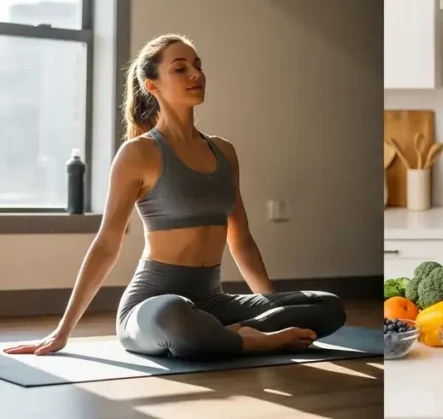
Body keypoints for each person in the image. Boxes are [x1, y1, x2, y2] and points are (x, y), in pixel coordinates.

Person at [3, 34, 346, 360]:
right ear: (152, 86)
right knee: (176, 316)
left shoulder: (224, 151)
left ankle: (235, 334)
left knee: (328, 305)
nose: (196, 73)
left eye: (197, 64)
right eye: (180, 68)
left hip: (214, 301)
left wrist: (273, 307)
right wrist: (63, 331)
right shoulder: (138, 153)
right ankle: (251, 342)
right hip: (154, 305)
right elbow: (107, 243)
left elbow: (240, 239)